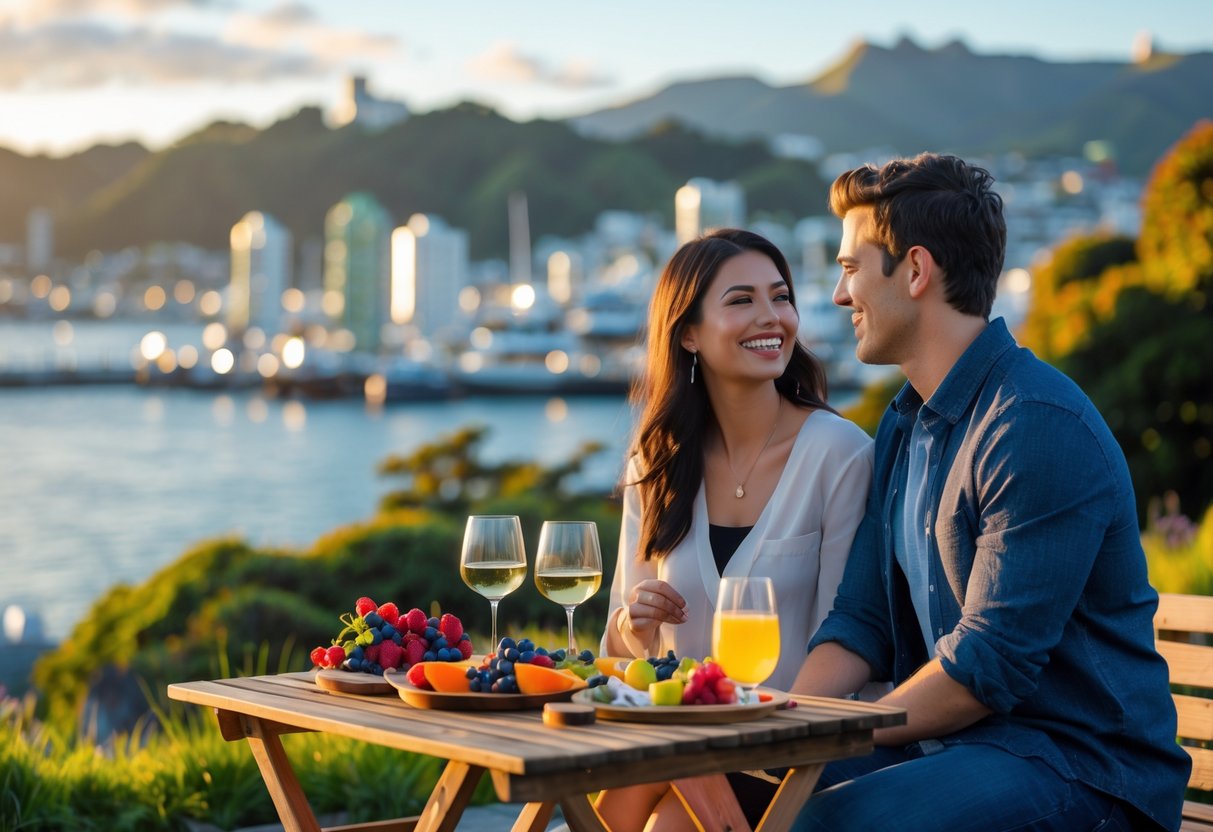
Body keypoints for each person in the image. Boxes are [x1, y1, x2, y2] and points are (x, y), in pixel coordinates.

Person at [789, 153, 1191, 831]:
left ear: (914, 271)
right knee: (742, 784)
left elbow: (986, 668)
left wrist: (830, 734)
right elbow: (862, 621)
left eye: (850, 268)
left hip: (1085, 770)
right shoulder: (903, 425)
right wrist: (779, 731)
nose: (837, 294)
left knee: (836, 822)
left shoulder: (1032, 427)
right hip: (958, 748)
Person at [596, 228, 873, 830]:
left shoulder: (839, 455)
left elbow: (847, 644)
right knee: (606, 811)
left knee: (660, 823)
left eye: (780, 296)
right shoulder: (657, 463)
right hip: (679, 746)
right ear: (688, 333)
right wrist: (633, 625)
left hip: (795, 751)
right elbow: (617, 656)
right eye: (742, 300)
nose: (771, 317)